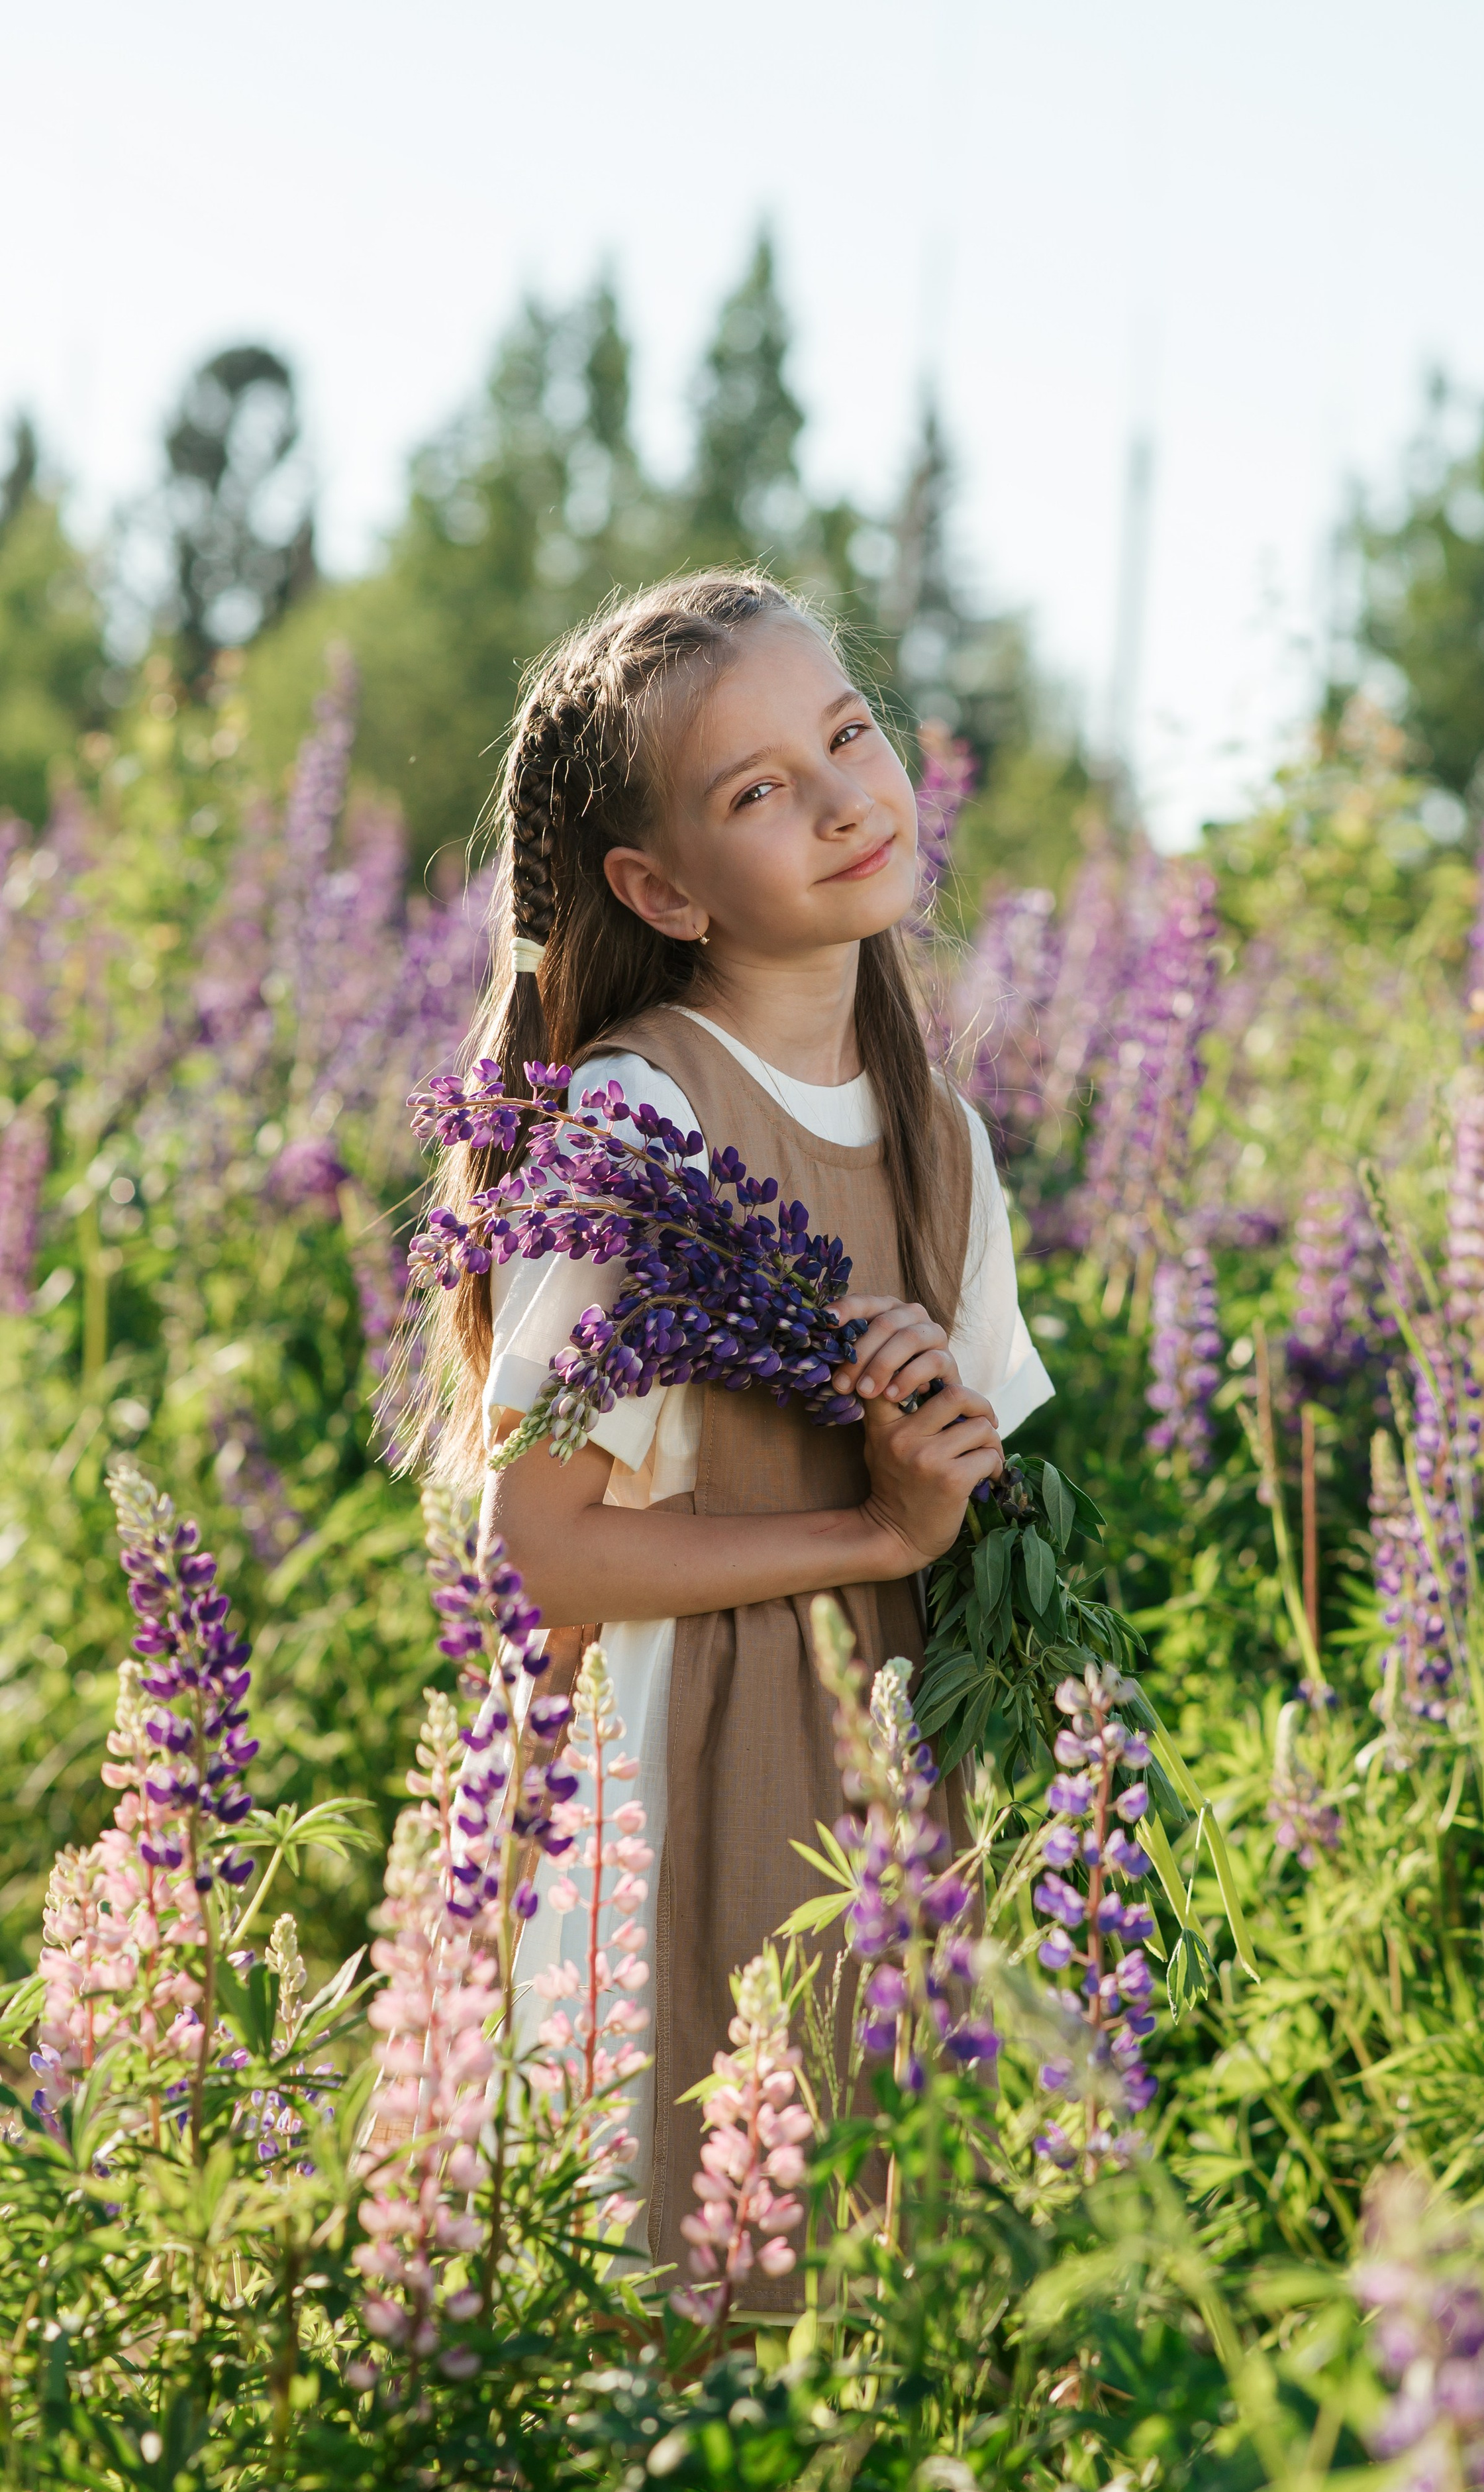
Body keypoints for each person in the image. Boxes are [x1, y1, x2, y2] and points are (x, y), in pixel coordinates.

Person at [417, 570, 1051, 2297]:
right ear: (658, 885)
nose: (847, 793)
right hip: (670, 1757)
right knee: (674, 2266)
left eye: (847, 734)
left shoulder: (948, 1144)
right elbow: (539, 1541)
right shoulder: (635, 1112)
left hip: (897, 1770)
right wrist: (872, 1533)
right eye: (759, 787)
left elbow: (1004, 1513)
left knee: (876, 2285)